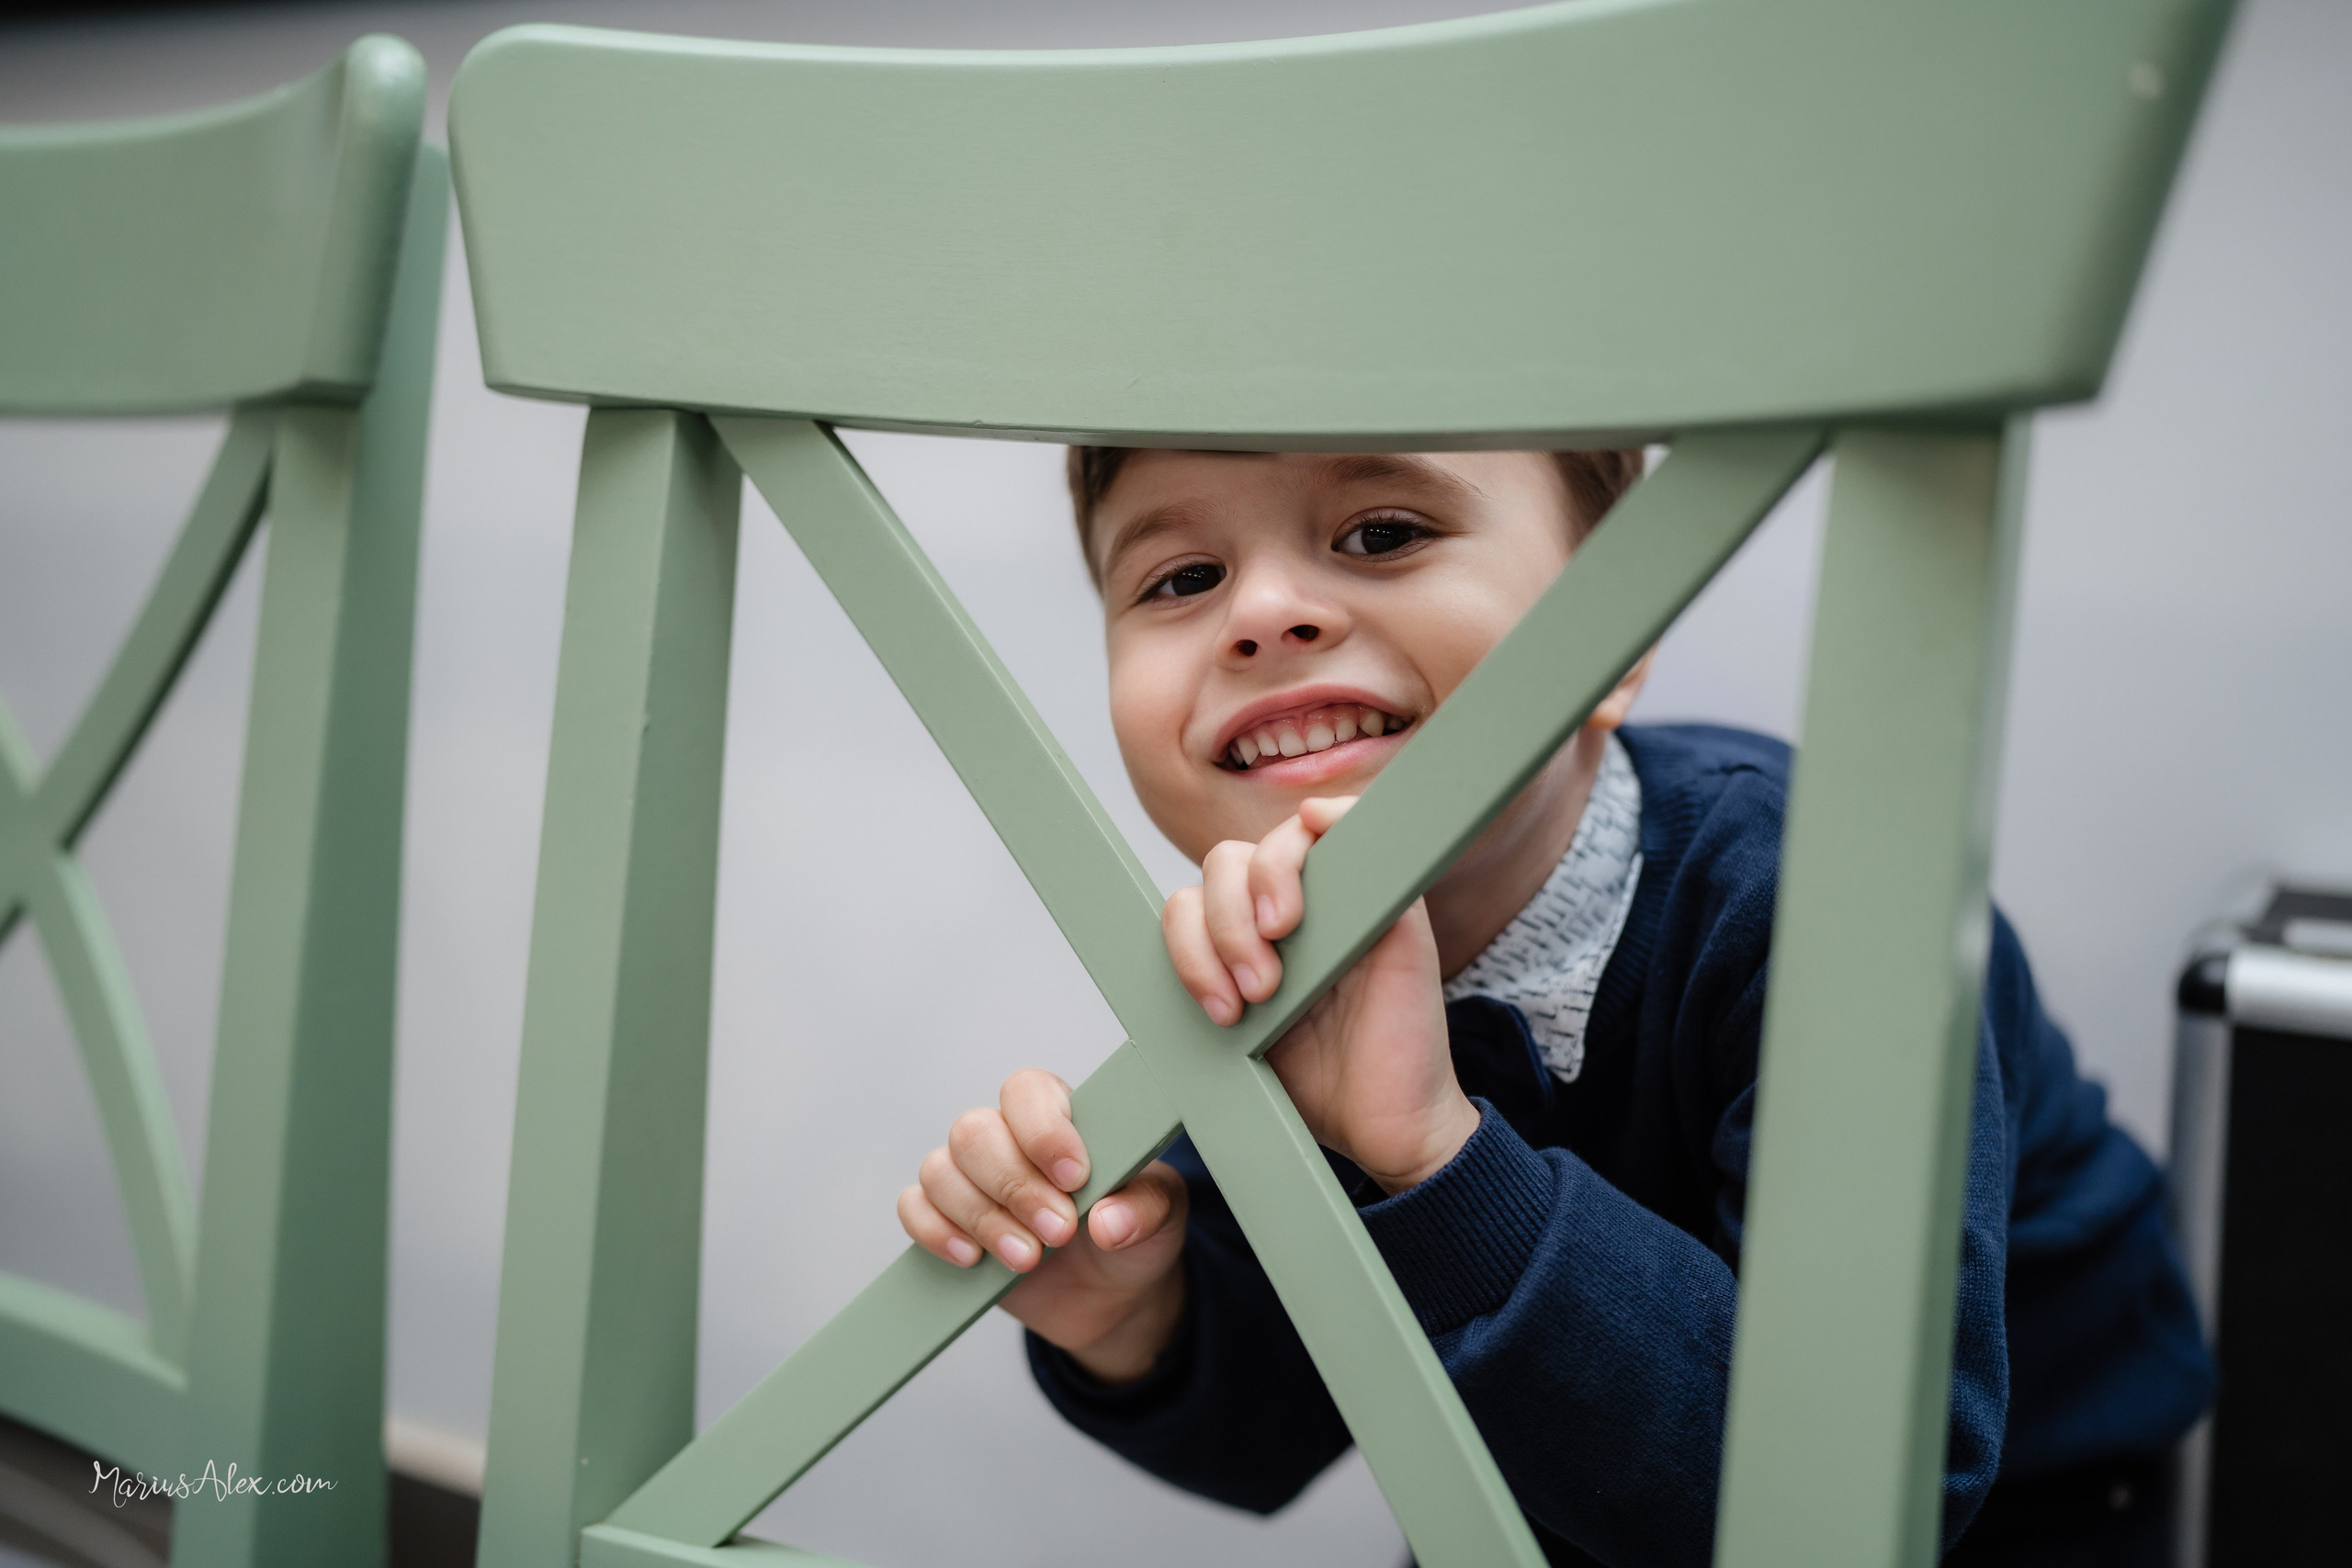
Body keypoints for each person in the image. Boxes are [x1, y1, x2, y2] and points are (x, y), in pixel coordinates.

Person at [893, 446, 2212, 1567]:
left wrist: (1432, 1153)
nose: (1267, 613)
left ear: (1618, 638)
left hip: (2018, 1507)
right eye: (1183, 578)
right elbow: (1291, 1431)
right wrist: (1133, 1319)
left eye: (1385, 531)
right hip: (1552, 1499)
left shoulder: (1819, 897)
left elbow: (1861, 1495)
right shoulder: (1259, 978)